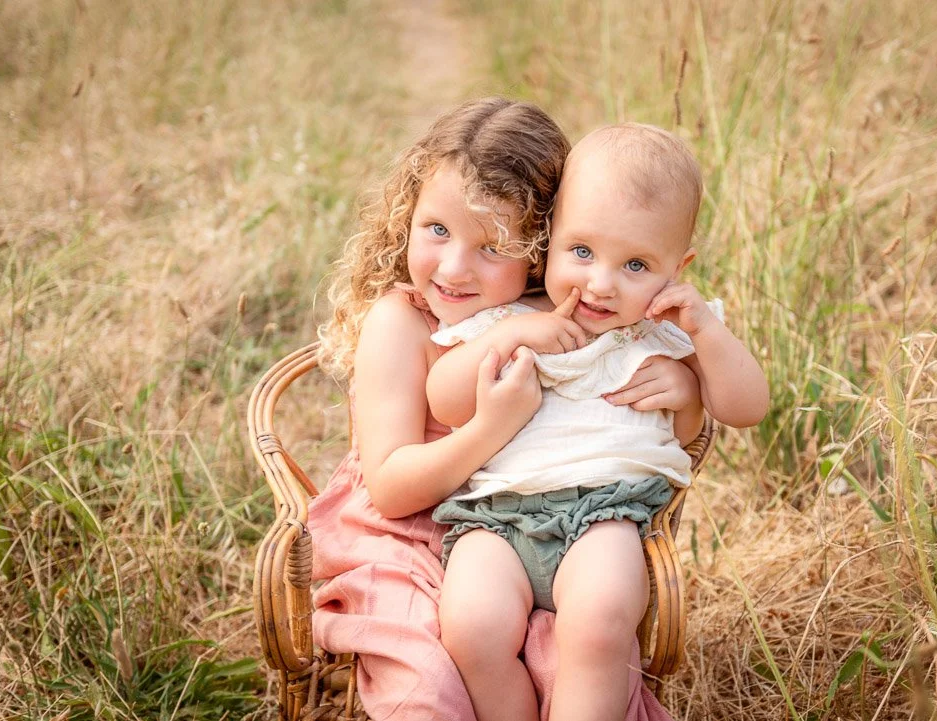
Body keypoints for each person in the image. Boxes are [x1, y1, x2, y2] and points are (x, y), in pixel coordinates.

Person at [308, 99, 692, 721]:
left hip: (515, 523)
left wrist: (685, 384)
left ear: (543, 251)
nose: (454, 268)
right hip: (402, 531)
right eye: (436, 230)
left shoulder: (552, 308)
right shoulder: (401, 321)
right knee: (430, 682)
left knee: (566, 657)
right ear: (408, 217)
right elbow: (390, 488)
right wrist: (493, 425)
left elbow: (631, 377)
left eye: (493, 247)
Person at [426, 122, 770, 721]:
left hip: (607, 515)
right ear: (551, 237)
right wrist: (510, 336)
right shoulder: (511, 317)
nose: (601, 283)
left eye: (636, 264)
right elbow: (444, 401)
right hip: (497, 516)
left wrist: (704, 343)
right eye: (581, 251)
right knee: (470, 627)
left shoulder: (665, 331)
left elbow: (747, 407)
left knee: (600, 622)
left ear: (677, 268)